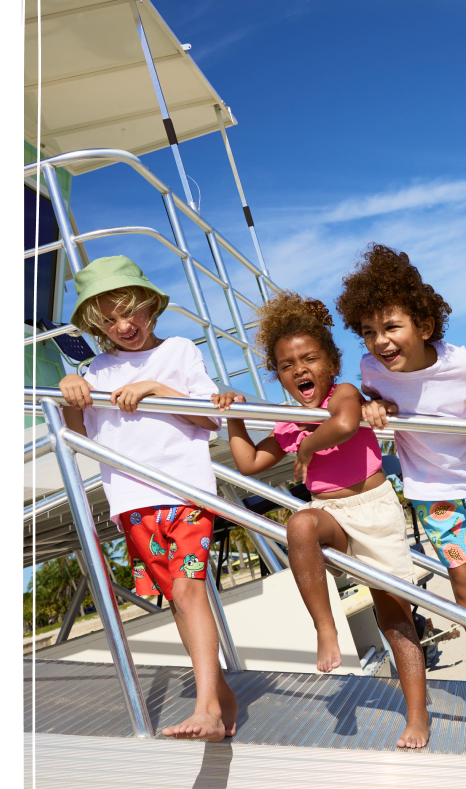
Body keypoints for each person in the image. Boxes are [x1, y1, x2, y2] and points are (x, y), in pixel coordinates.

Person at [339, 245, 466, 742]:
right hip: (433, 495)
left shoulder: (463, 362)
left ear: (424, 325)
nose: (380, 341)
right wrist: (373, 406)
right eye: (368, 331)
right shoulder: (371, 369)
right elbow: (371, 397)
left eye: (391, 327)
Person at [222, 292, 430, 749]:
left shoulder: (344, 393)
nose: (299, 369)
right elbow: (250, 463)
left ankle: (418, 714)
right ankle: (326, 628)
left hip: (373, 507)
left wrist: (309, 446)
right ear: (278, 375)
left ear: (331, 362)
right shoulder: (287, 421)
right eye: (286, 364)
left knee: (394, 617)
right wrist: (236, 418)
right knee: (299, 524)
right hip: (331, 515)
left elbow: (345, 424)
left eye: (309, 358)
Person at [58, 255, 239, 742]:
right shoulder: (95, 369)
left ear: (149, 308)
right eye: (109, 318)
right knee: (179, 604)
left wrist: (158, 388)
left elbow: (209, 419)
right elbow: (80, 436)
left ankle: (206, 709)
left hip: (184, 492)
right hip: (131, 502)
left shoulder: (178, 351)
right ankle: (221, 697)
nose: (123, 325)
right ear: (96, 325)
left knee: (188, 591)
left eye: (130, 312)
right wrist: (68, 389)